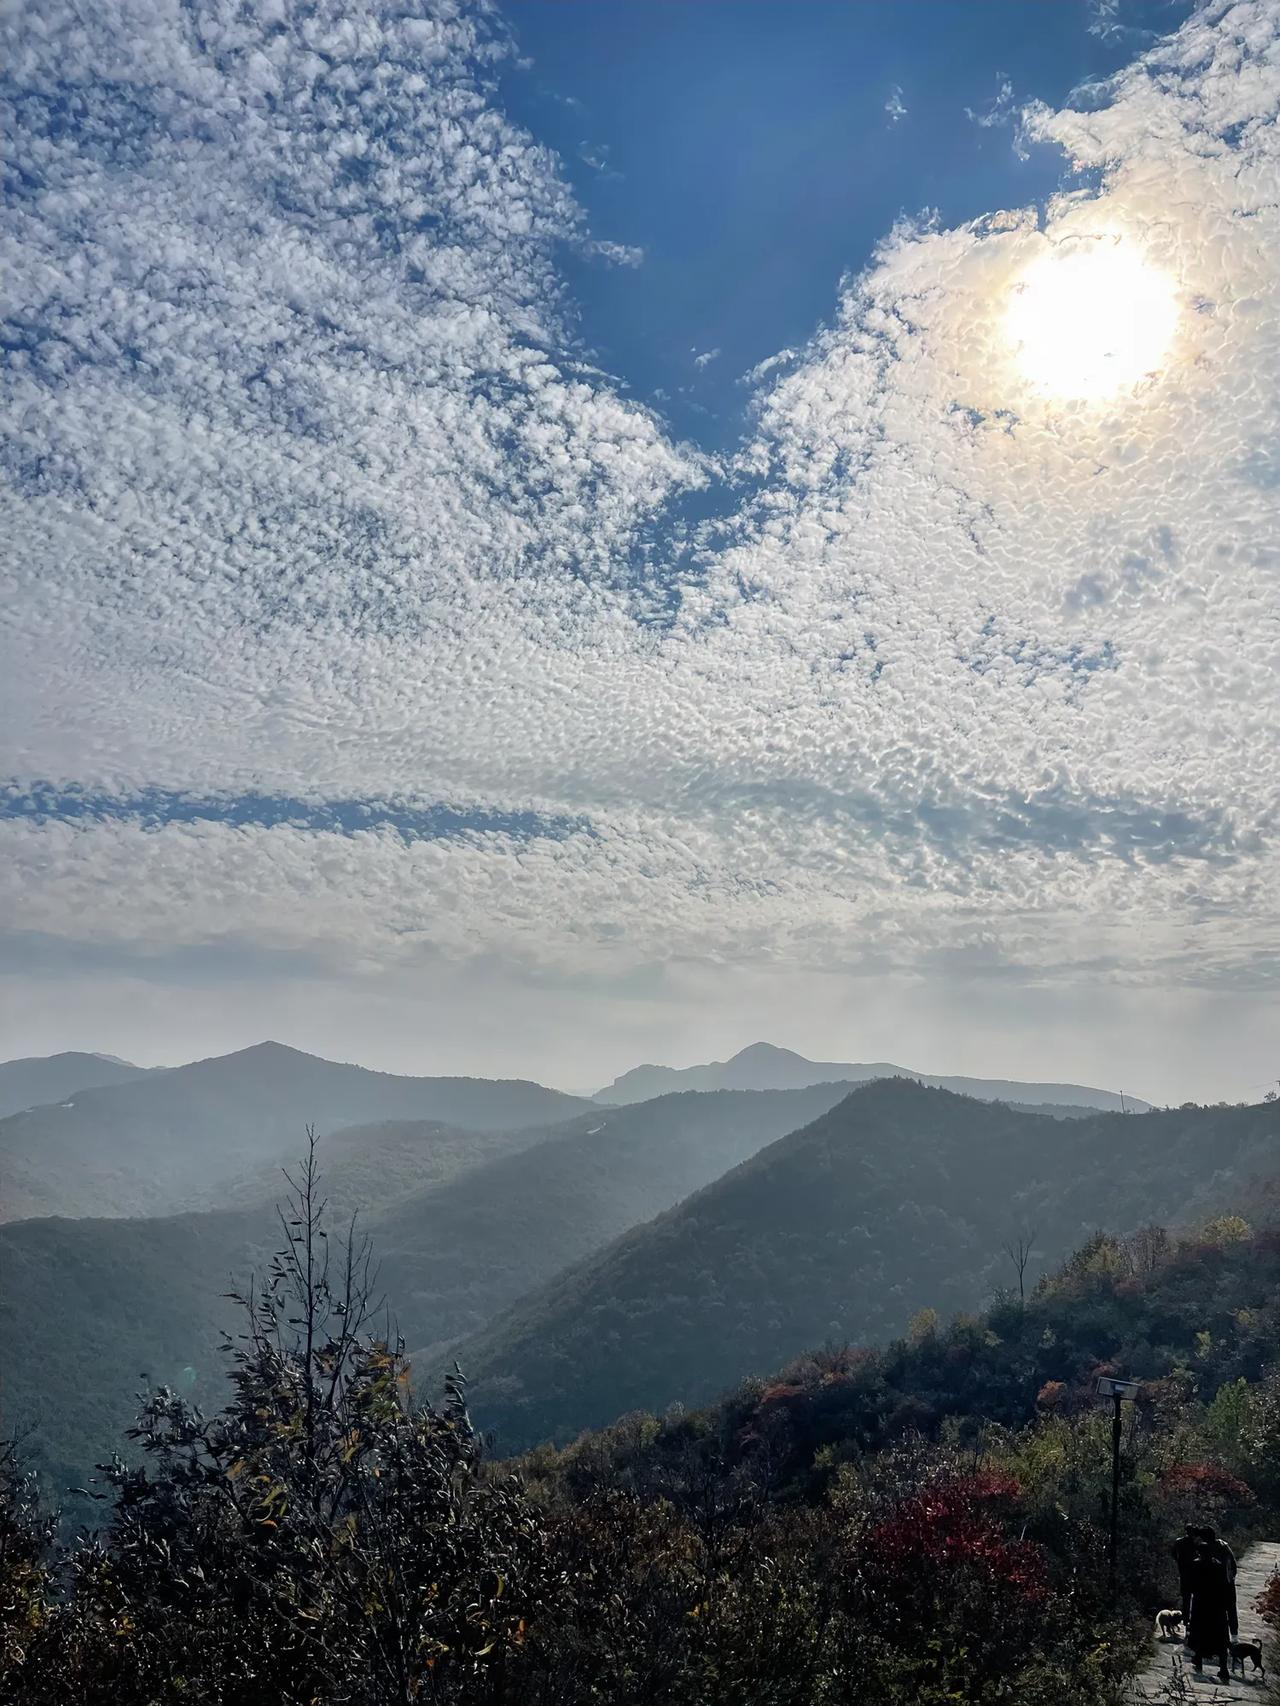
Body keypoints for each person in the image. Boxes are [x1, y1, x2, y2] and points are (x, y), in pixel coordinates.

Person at [1186, 1532, 1233, 1683]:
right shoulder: (1218, 1566)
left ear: (1199, 1552)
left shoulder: (1195, 1564)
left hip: (1201, 1603)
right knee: (1220, 1636)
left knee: (1200, 1632)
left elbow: (1191, 1585)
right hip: (1217, 1605)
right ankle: (1223, 1668)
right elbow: (1226, 1584)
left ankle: (1198, 1659)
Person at [1201, 1526, 1239, 1637]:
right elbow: (1233, 1565)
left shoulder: (1208, 1549)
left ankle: (1219, 1636)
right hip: (1228, 1583)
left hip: (1218, 1586)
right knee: (1231, 1610)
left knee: (1218, 1612)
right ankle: (1234, 1634)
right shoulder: (1224, 1546)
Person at [1170, 1523, 1199, 1622]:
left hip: (1185, 1571)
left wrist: (1179, 1561)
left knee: (1186, 1596)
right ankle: (1189, 1617)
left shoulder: (1180, 1541)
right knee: (1192, 1596)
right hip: (1193, 1571)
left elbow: (1173, 1552)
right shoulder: (1196, 1543)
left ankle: (1187, 1617)